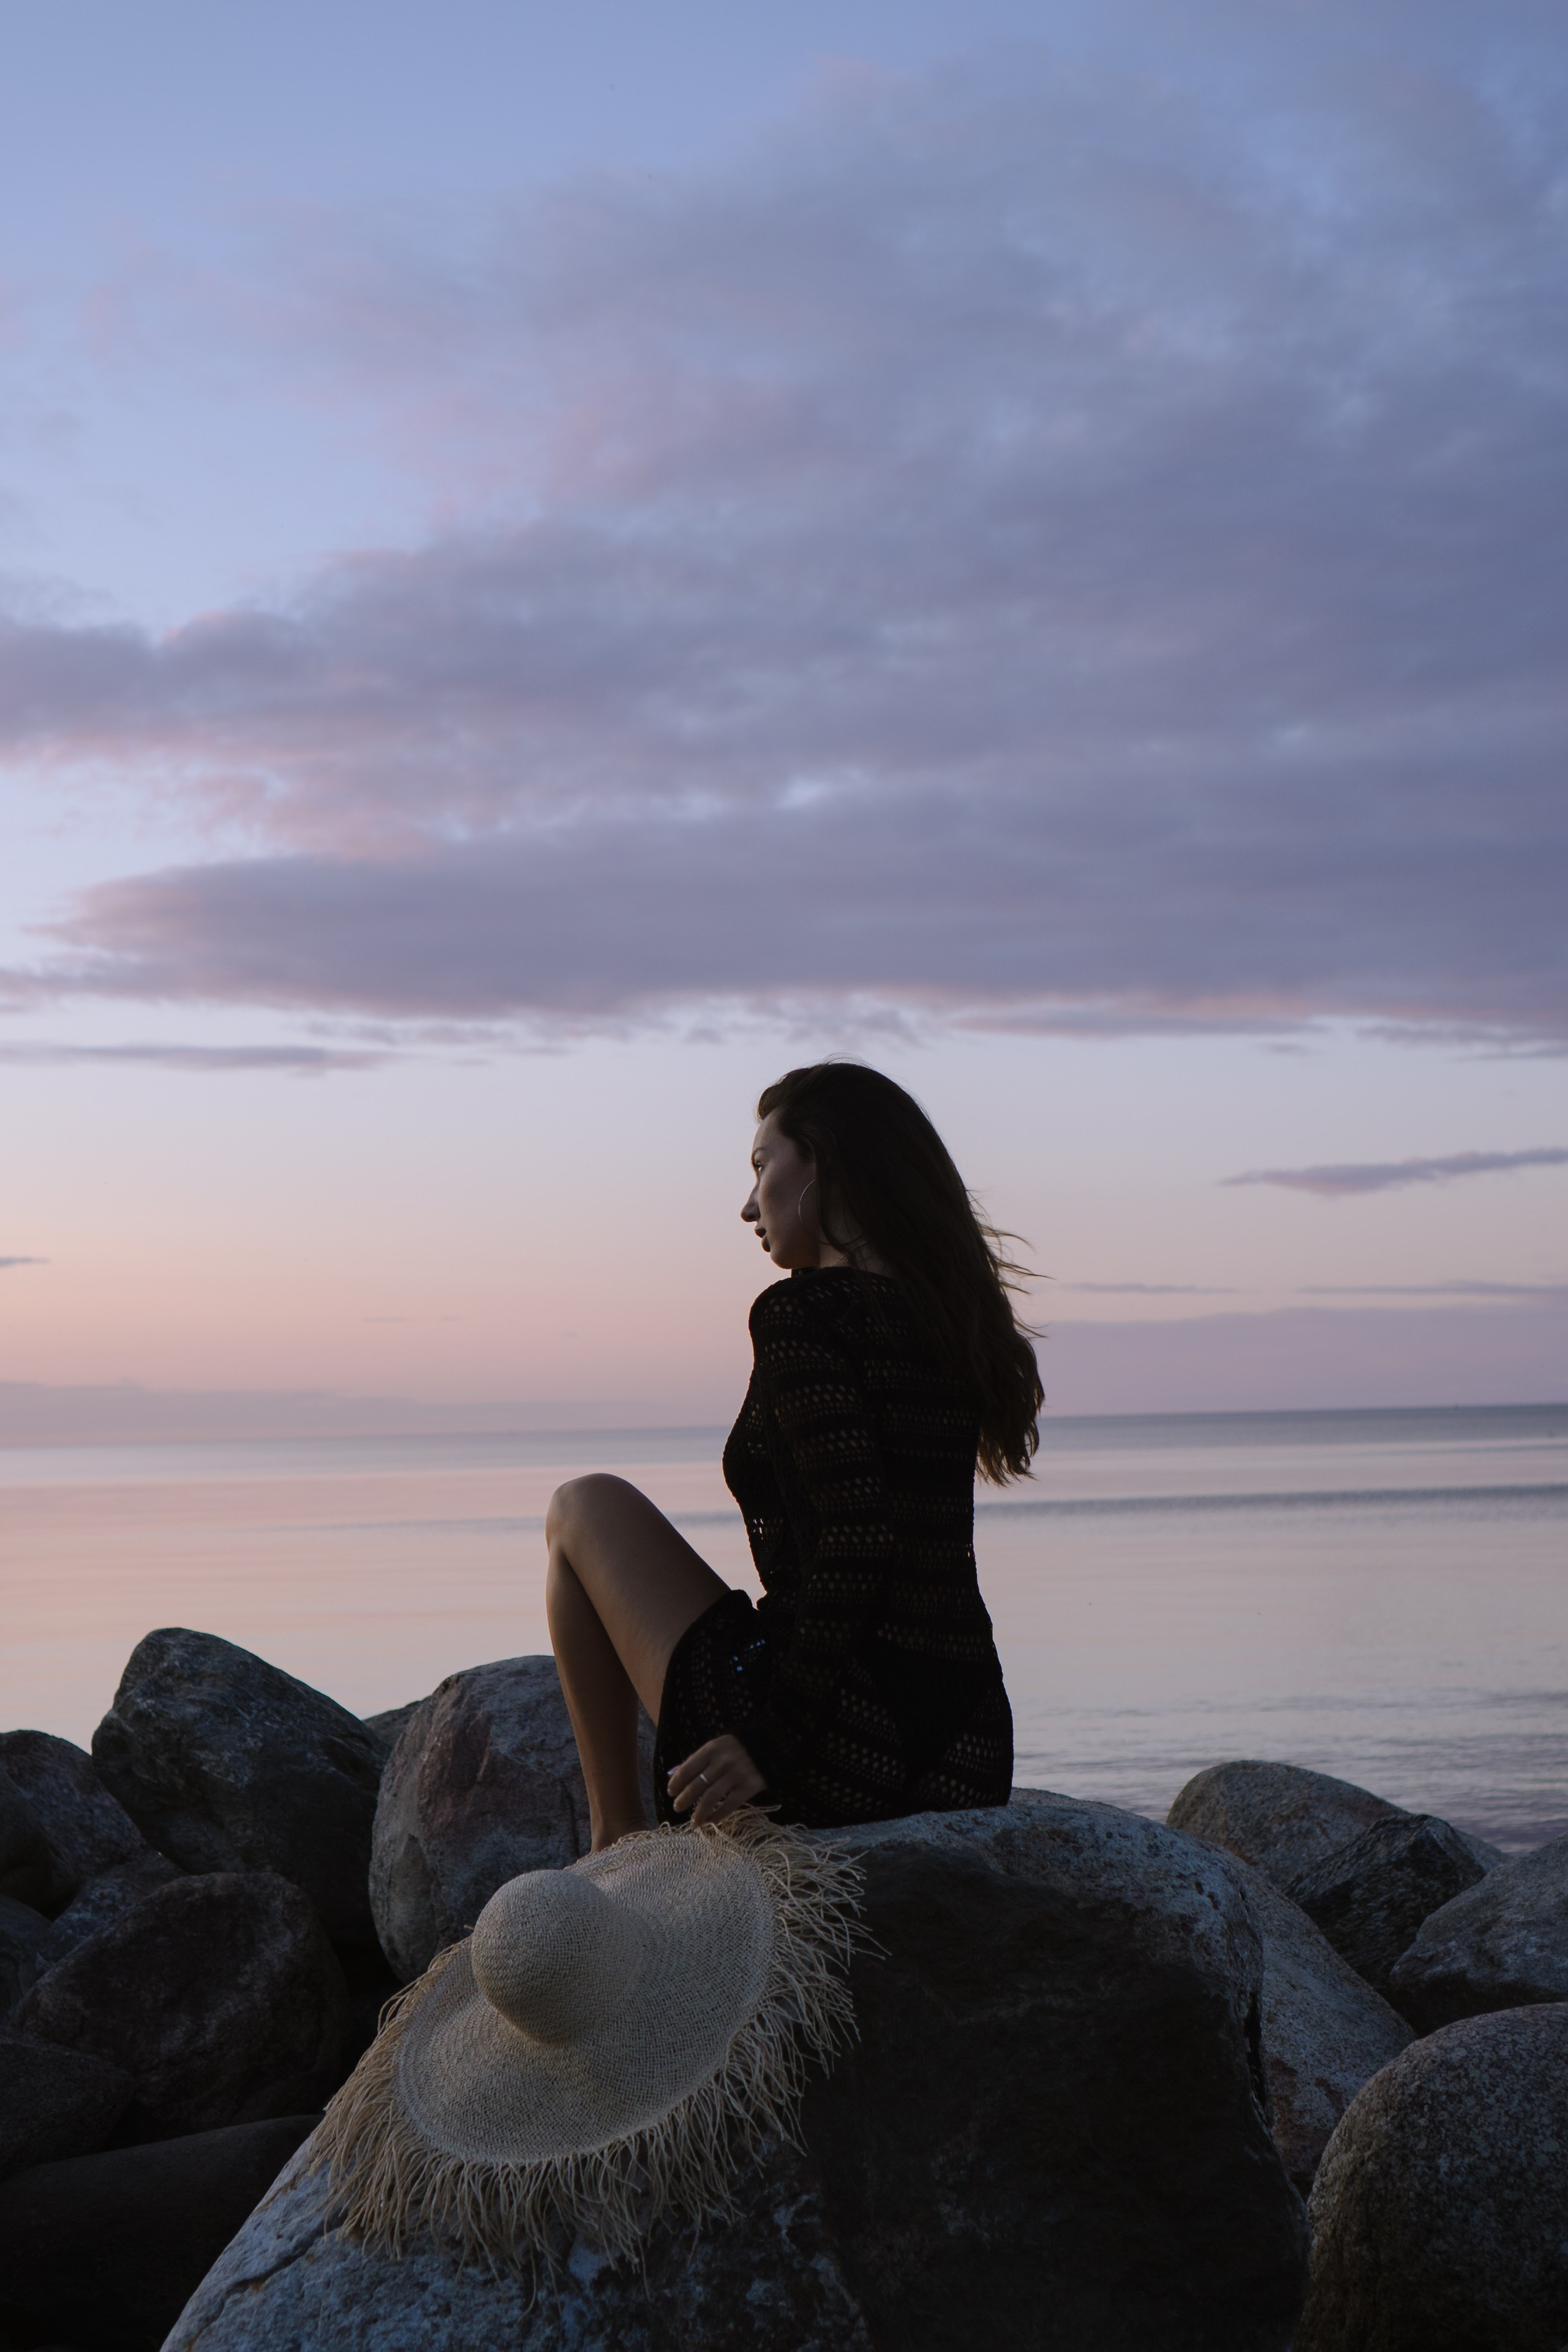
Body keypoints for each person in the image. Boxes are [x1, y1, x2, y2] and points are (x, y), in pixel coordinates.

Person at [545, 1060, 1043, 1847]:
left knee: (583, 1506)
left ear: (824, 1161)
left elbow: (858, 1538)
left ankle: (618, 1844)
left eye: (760, 1165)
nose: (748, 1205)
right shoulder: (951, 1327)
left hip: (837, 1745)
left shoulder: (804, 1312)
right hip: (968, 1751)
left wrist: (767, 1743)